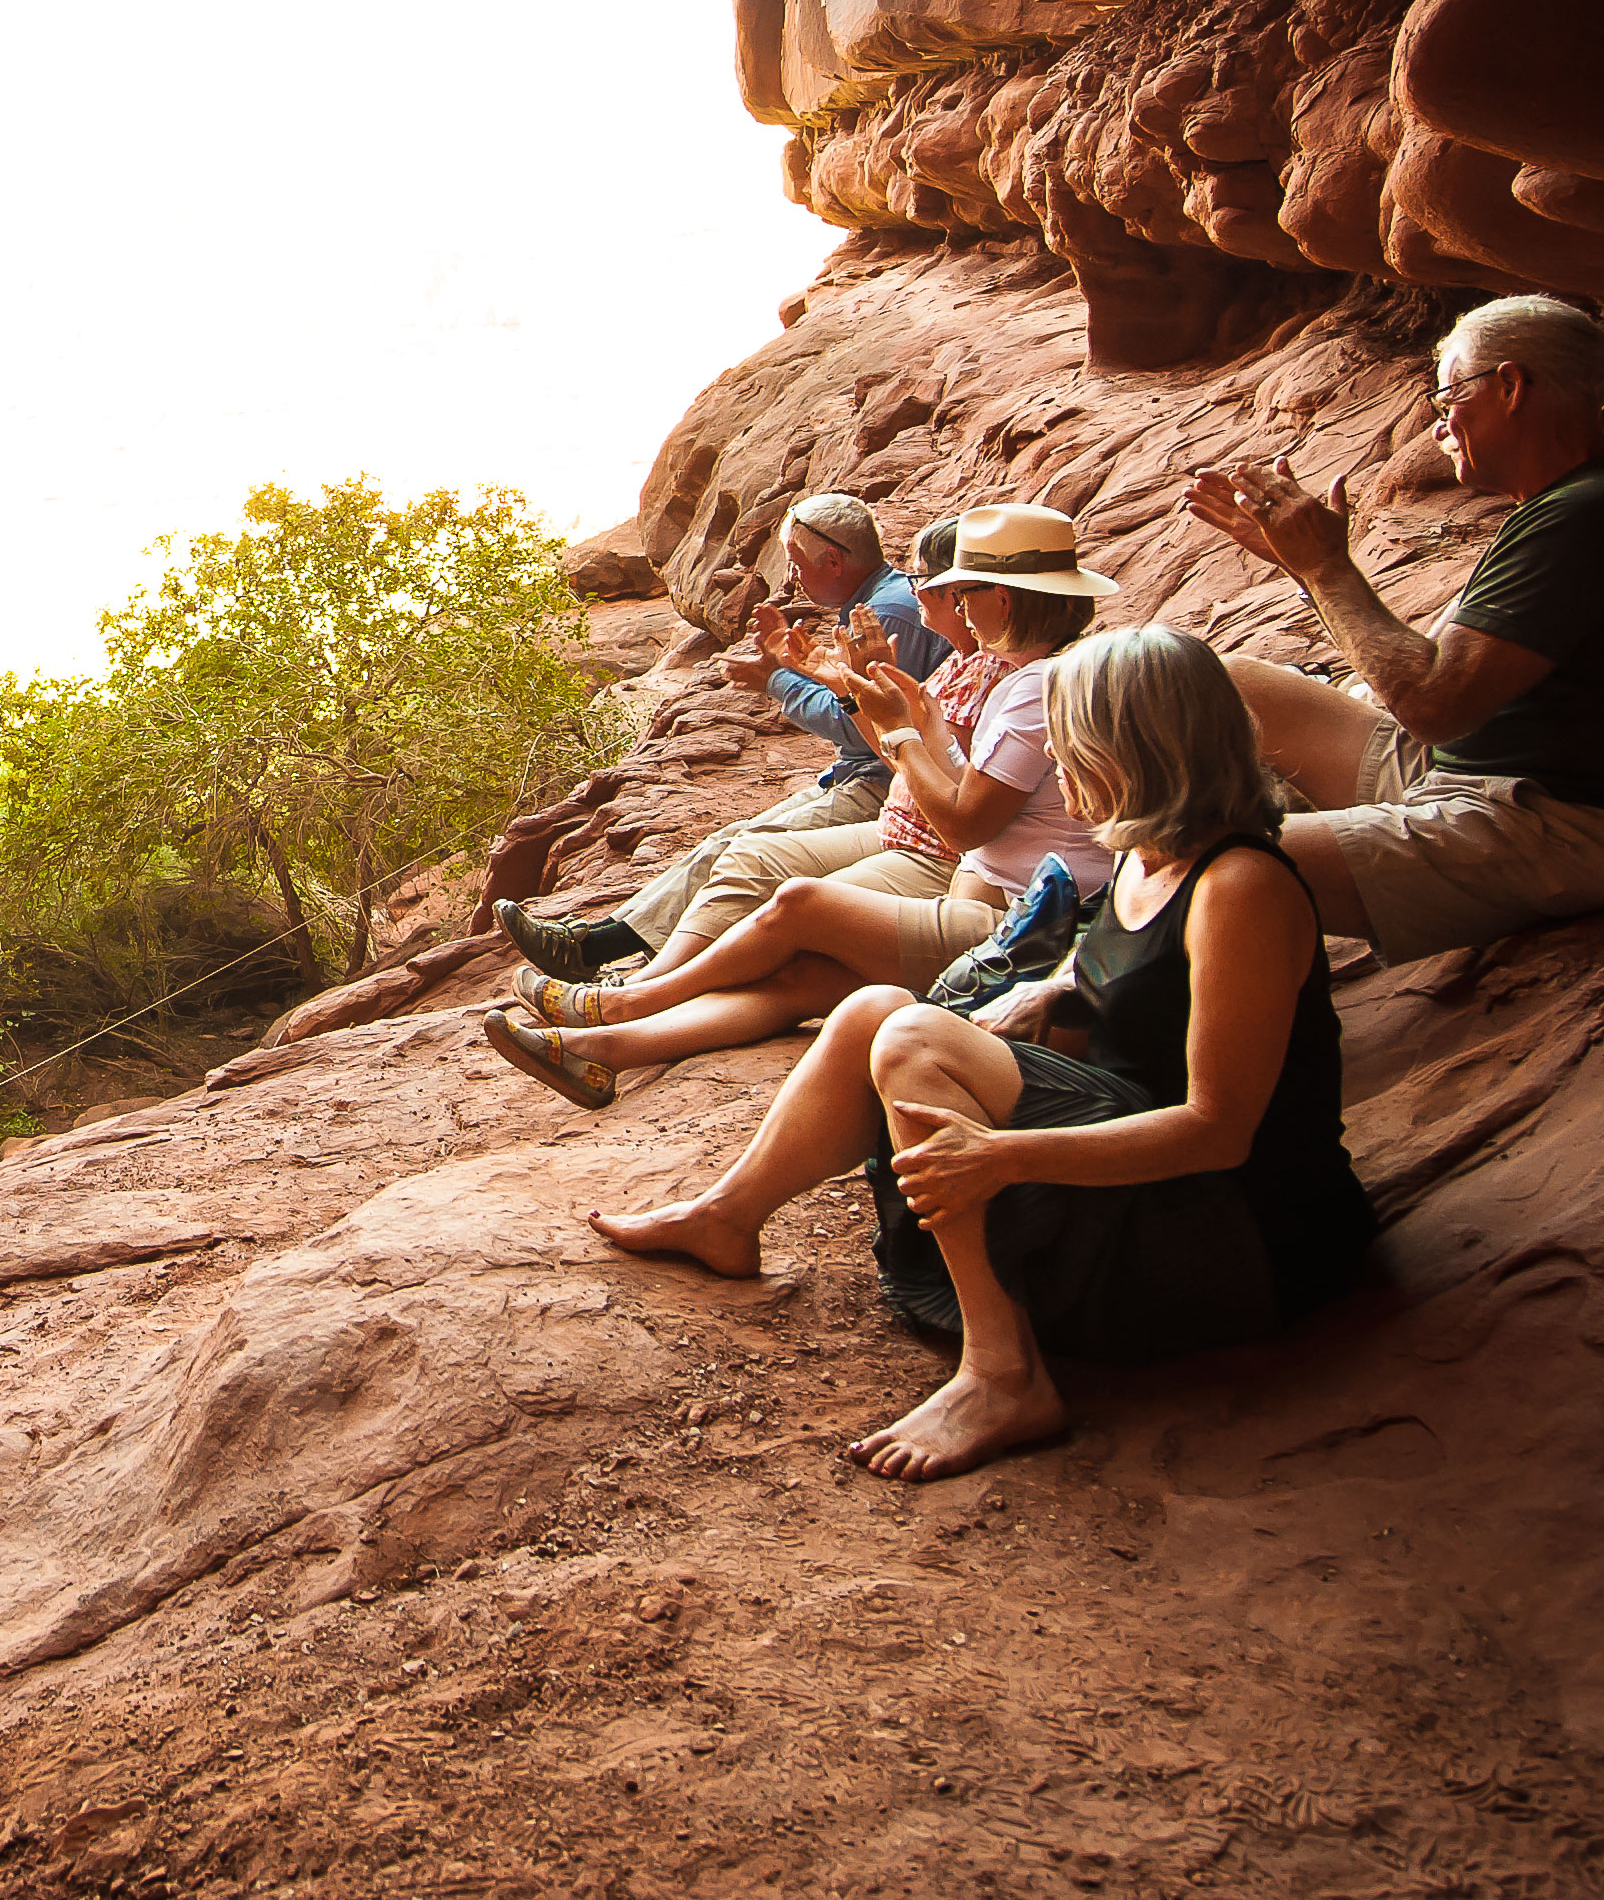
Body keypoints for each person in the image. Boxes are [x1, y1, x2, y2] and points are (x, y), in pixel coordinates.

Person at [589, 626, 1378, 1481]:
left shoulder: (1241, 887)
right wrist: (1047, 994)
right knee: (874, 1011)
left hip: (1233, 1232)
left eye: (1068, 745)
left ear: (1135, 748)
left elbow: (1219, 1130)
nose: (1055, 767)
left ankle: (1004, 1375)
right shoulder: (1151, 858)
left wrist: (996, 1156)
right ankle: (727, 1217)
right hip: (1139, 1152)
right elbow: (1120, 991)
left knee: (915, 1036)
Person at [483, 503, 1119, 1110]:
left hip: (1017, 922)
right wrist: (879, 702)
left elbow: (960, 818)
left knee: (796, 904)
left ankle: (628, 1005)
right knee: (800, 971)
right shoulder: (1022, 673)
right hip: (984, 892)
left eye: (963, 593)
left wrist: (894, 721)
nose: (956, 606)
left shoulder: (1034, 685)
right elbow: (950, 777)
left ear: (1000, 598)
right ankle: (600, 1050)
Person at [1188, 293, 1604, 958]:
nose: (1438, 425)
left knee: (1206, 863)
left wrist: (1328, 569)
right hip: (1477, 773)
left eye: (1447, 398)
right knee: (1217, 689)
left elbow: (1431, 702)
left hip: (1564, 826)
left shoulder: (1593, 516)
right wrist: (1306, 569)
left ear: (1509, 386)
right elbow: (1435, 690)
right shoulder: (1579, 503)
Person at [493, 491, 951, 975]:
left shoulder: (888, 614)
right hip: (868, 776)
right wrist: (789, 663)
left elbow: (862, 727)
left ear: (834, 561)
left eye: (797, 563)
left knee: (741, 849)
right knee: (730, 840)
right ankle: (601, 944)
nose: (792, 577)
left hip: (885, 785)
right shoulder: (878, 603)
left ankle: (612, 958)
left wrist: (777, 679)